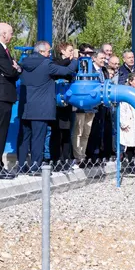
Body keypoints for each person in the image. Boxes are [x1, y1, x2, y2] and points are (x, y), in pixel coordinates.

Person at [17, 41, 78, 174]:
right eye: (48, 51)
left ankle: (21, 166)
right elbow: (68, 70)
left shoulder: (24, 62)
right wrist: (75, 60)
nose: (50, 54)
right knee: (38, 138)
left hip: (25, 107)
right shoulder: (47, 64)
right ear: (41, 52)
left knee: (24, 137)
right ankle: (35, 167)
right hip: (41, 108)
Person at [0, 22, 21, 179]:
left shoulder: (3, 50)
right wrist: (15, 68)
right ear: (3, 34)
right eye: (11, 33)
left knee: (2, 132)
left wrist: (16, 68)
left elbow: (12, 71)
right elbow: (9, 71)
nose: (12, 36)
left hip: (4, 96)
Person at [72, 47, 102, 166]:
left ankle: (83, 155)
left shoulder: (96, 71)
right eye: (85, 53)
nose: (88, 56)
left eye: (90, 54)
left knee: (86, 133)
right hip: (79, 107)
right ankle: (77, 156)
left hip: (92, 107)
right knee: (78, 132)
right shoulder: (77, 66)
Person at [50, 42, 77, 170]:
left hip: (68, 103)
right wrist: (71, 60)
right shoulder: (55, 62)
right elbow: (60, 68)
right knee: (57, 133)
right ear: (62, 51)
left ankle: (66, 160)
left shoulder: (73, 64)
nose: (72, 52)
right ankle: (56, 160)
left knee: (67, 133)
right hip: (56, 104)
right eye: (70, 50)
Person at [85, 51, 112, 164]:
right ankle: (91, 155)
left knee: (101, 130)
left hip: (103, 105)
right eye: (101, 58)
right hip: (93, 104)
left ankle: (99, 154)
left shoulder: (104, 71)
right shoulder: (89, 70)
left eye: (104, 58)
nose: (103, 60)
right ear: (94, 59)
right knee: (91, 130)